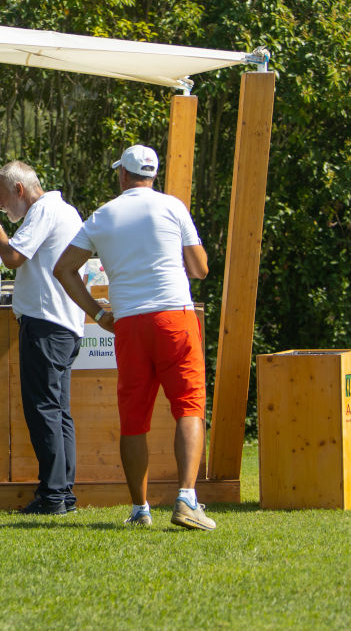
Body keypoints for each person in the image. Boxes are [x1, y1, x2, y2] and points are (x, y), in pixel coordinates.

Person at [52, 144, 214, 531]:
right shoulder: (173, 207)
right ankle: (187, 499)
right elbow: (200, 268)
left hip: (128, 323)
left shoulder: (103, 214)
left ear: (123, 175)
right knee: (189, 407)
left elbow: (65, 269)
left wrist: (97, 313)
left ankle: (140, 509)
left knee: (134, 419)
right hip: (175, 316)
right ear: (152, 175)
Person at [0, 161, 84, 515]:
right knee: (58, 411)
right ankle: (62, 493)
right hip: (63, 323)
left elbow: (11, 257)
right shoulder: (64, 210)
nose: (3, 206)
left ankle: (53, 496)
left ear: (20, 190)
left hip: (45, 323)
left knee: (43, 411)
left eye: (4, 199)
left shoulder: (43, 211)